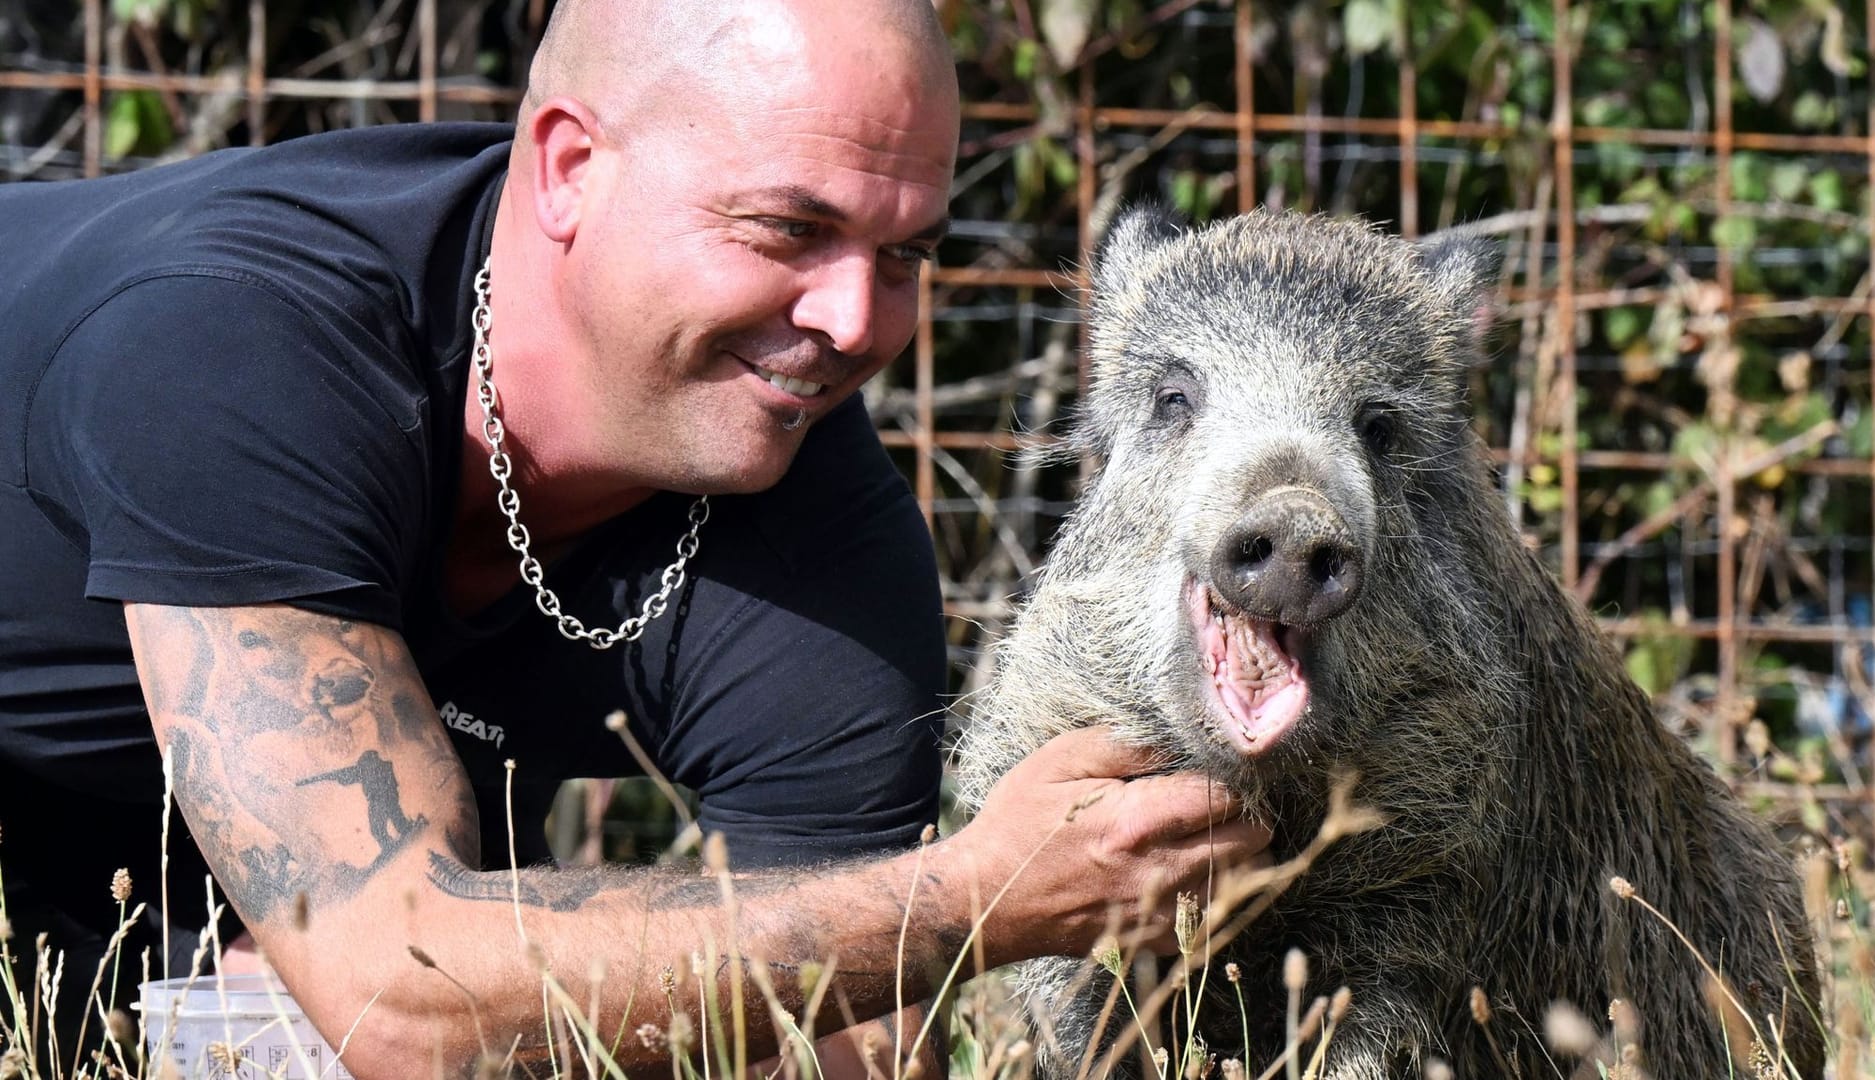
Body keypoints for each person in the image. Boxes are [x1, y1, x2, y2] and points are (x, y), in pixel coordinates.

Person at [0, 1, 1272, 1076]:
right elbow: (402, 991)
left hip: (203, 877)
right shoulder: (240, 346)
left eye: (906, 253)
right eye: (790, 230)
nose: (856, 320)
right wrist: (972, 895)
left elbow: (844, 1039)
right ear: (567, 168)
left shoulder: (816, 526)